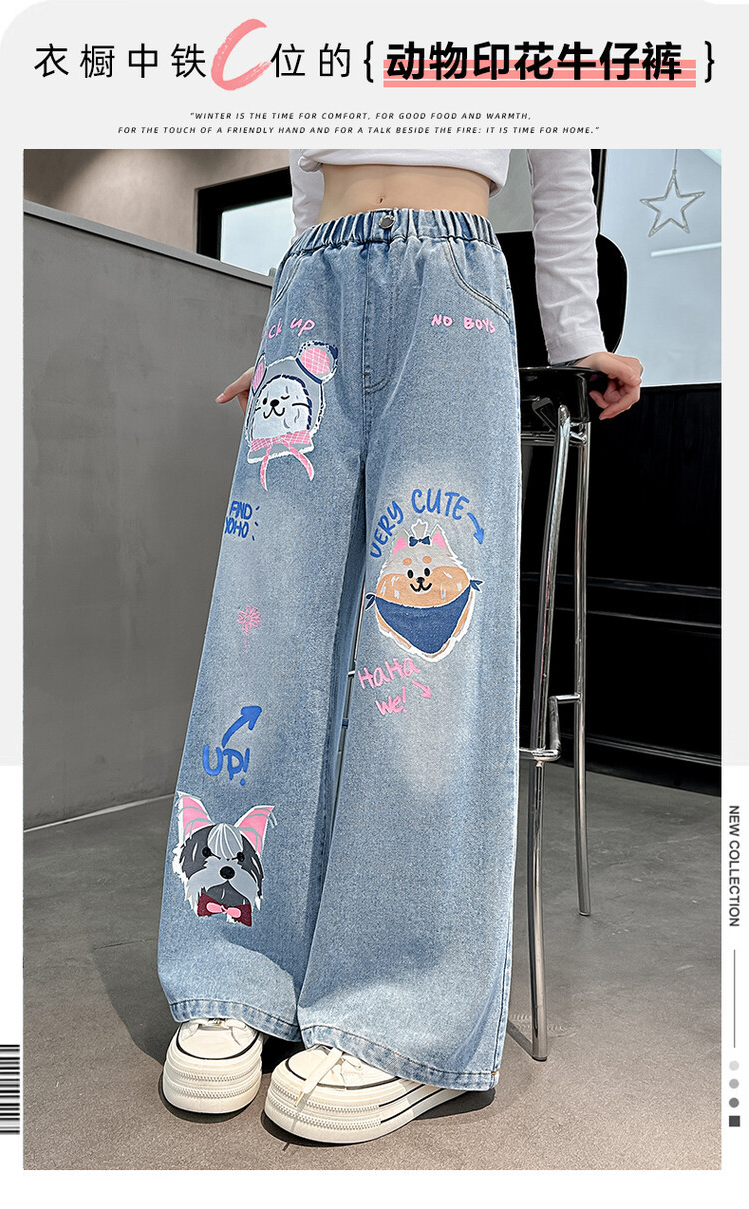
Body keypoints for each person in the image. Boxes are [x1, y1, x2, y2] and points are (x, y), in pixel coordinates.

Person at [157, 149, 642, 1145]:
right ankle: (234, 967)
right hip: (312, 284)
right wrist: (287, 329)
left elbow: (561, 170)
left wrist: (581, 336)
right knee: (263, 622)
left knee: (423, 661)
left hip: (451, 276)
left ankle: (403, 1008)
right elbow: (308, 162)